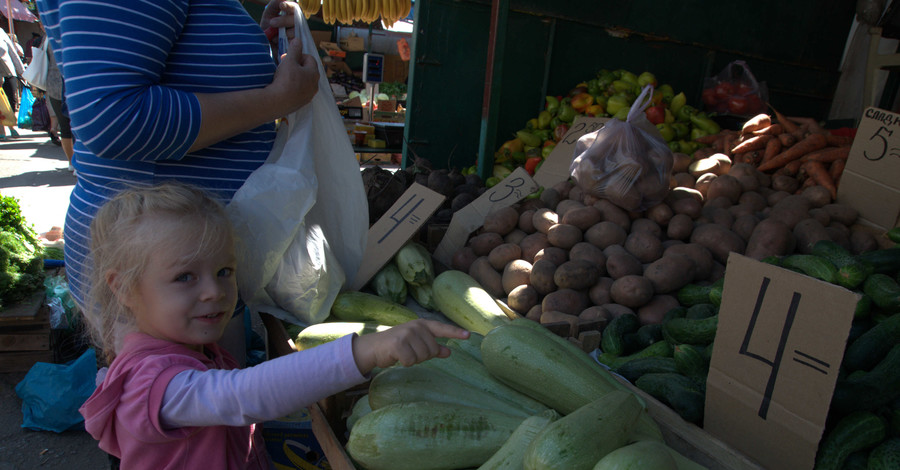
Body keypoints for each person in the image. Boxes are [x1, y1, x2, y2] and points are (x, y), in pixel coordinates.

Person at [79, 182, 470, 469]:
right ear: (125, 289)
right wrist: (364, 350)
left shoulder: (180, 349)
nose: (214, 291)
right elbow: (243, 396)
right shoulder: (152, 386)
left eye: (224, 271)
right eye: (185, 277)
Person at [36, 0, 320, 355]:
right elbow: (111, 117)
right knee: (191, 401)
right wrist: (279, 99)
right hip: (161, 266)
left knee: (213, 395)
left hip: (186, 266)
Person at [0, 28, 23, 140]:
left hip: (8, 72)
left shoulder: (1, 32)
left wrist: (23, 72)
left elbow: (13, 53)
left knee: (12, 101)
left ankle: (11, 126)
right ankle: (2, 130)